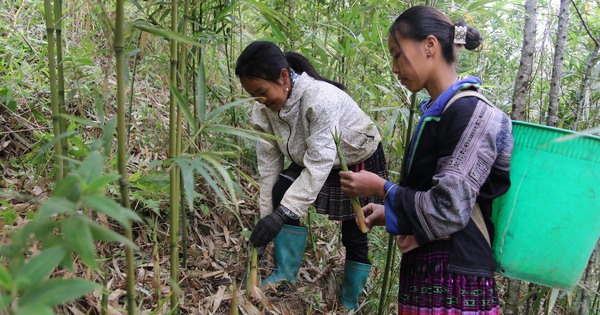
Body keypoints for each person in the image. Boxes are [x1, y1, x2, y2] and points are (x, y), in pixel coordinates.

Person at [339, 5, 513, 314]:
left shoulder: (468, 110)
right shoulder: (439, 111)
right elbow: (436, 197)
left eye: (397, 54)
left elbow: (448, 210)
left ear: (429, 46)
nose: (394, 68)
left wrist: (384, 189)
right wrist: (390, 213)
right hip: (430, 278)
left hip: (456, 284)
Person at [235, 40, 388, 310]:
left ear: (283, 77)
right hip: (311, 155)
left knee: (355, 230)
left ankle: (349, 302)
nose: (259, 101)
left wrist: (281, 216)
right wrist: (266, 219)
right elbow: (268, 167)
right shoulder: (263, 110)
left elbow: (319, 163)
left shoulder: (320, 98)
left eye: (262, 92)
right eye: (253, 95)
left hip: (354, 157)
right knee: (279, 190)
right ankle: (285, 274)